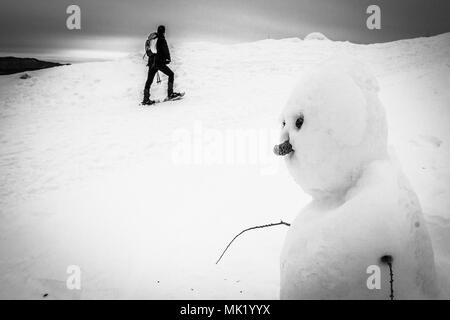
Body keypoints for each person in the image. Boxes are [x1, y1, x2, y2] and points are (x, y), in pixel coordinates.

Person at [142, 25, 182, 105]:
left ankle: (146, 99)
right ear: (163, 31)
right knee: (171, 74)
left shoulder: (151, 39)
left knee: (149, 81)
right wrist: (167, 59)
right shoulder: (162, 39)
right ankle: (170, 94)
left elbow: (148, 50)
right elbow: (164, 50)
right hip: (159, 63)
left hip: (152, 63)